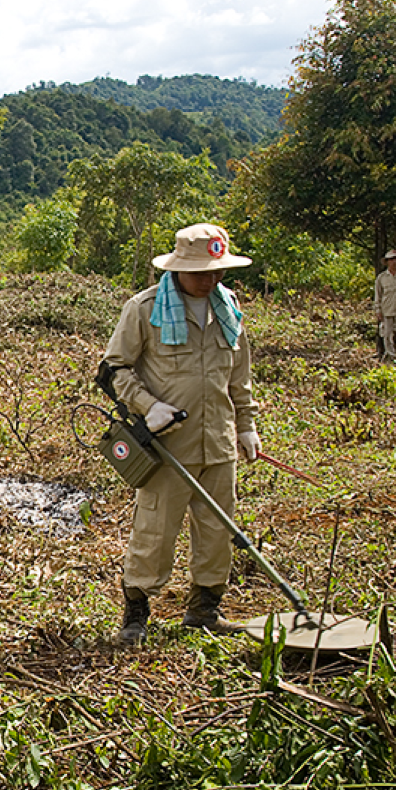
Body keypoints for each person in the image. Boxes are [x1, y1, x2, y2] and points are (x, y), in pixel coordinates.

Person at [101, 223, 261, 646]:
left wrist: (246, 425)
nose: (211, 279)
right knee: (155, 531)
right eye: (201, 272)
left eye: (217, 271)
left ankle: (205, 610)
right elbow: (114, 369)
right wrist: (148, 406)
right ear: (177, 269)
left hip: (219, 441)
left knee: (218, 530)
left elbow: (239, 375)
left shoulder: (228, 307)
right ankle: (136, 614)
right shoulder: (145, 309)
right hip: (169, 444)